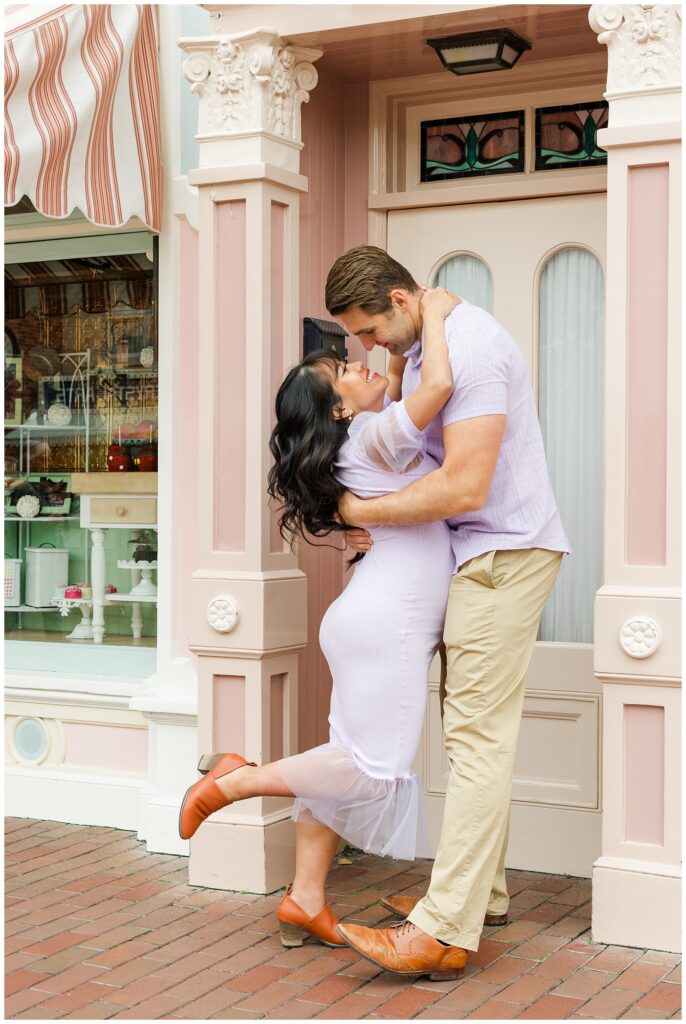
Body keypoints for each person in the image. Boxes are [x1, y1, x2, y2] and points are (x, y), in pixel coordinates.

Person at [179, 288, 468, 978]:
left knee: (344, 759)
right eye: (342, 369)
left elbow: (396, 390)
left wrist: (384, 369)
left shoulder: (358, 441)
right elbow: (442, 384)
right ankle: (238, 781)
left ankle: (306, 898)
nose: (359, 361)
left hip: (368, 610)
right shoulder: (374, 437)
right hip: (387, 617)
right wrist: (441, 318)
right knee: (371, 771)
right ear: (339, 409)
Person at [322, 245, 570, 979]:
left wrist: (365, 508)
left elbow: (463, 487)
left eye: (370, 331)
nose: (368, 349)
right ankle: (480, 896)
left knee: (475, 738)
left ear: (401, 299)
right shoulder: (429, 341)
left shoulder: (473, 347)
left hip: (504, 553)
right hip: (478, 559)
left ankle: (443, 929)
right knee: (471, 732)